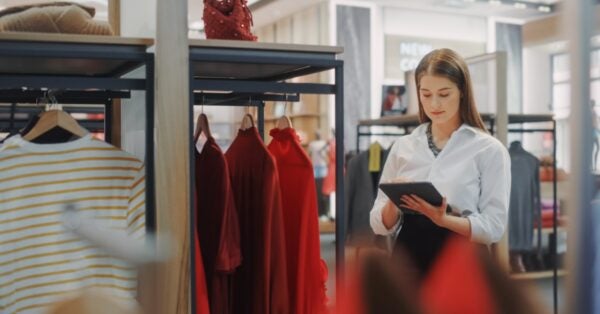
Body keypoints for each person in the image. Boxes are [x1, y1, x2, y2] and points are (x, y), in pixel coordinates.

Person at [370, 48, 511, 279]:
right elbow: (378, 224)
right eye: (426, 94)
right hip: (407, 262)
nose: (434, 103)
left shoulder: (488, 149)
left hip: (462, 264)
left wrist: (444, 220)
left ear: (462, 91)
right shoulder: (403, 146)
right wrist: (394, 202)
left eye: (444, 94)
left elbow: (494, 226)